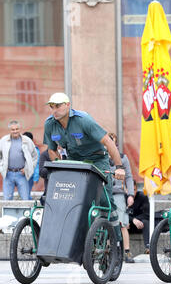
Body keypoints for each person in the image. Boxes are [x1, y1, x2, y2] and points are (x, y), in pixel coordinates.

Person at [43, 92, 125, 242]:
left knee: (104, 201)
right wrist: (59, 167)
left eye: (58, 106)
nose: (54, 110)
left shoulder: (83, 120)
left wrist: (119, 167)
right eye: (52, 107)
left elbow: (108, 141)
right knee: (73, 199)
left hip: (97, 159)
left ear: (68, 105)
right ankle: (82, 240)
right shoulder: (49, 124)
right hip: (75, 161)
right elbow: (51, 149)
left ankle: (116, 242)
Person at [108, 133, 135, 263]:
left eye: (113, 143)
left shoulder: (123, 158)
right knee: (105, 222)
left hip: (118, 193)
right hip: (105, 193)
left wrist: (130, 194)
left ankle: (127, 251)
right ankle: (108, 250)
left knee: (122, 223)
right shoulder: (100, 158)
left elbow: (129, 177)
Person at [0, 121, 38, 200]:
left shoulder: (27, 140)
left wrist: (27, 169)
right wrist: (2, 167)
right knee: (7, 200)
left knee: (25, 199)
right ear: (9, 130)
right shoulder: (3, 141)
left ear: (20, 129)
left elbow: (34, 156)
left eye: (17, 129)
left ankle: (26, 213)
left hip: (22, 174)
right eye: (13, 129)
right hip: (8, 174)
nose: (15, 131)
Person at [128, 180, 150, 254]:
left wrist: (136, 219)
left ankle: (148, 247)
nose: (132, 193)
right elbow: (119, 215)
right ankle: (119, 250)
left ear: (136, 189)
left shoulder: (142, 197)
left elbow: (147, 214)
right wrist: (132, 220)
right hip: (127, 227)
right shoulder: (122, 198)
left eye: (134, 190)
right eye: (129, 190)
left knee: (146, 222)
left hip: (139, 226)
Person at [23, 132, 40, 199]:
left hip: (30, 175)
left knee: (26, 194)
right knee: (25, 193)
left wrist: (36, 177)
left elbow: (37, 164)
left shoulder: (35, 150)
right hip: (20, 174)